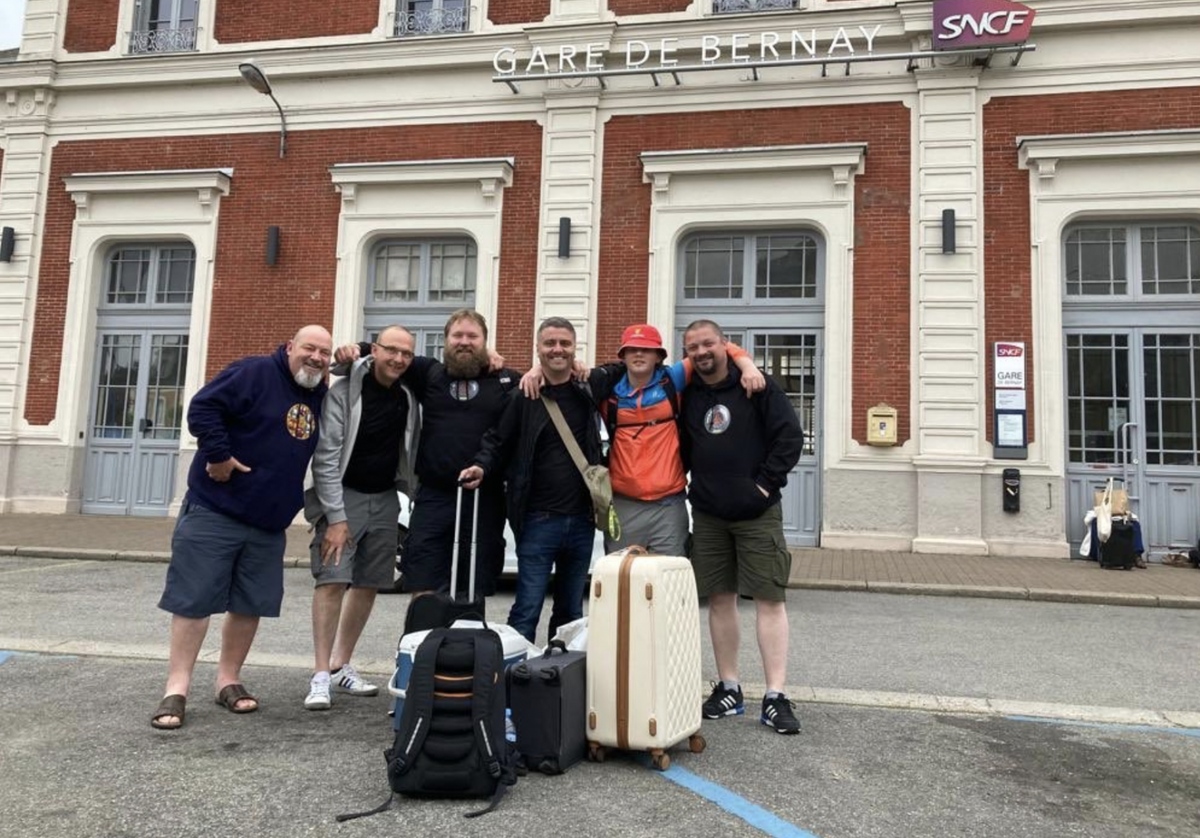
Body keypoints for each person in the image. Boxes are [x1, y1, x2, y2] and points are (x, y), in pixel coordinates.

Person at [151, 325, 333, 730]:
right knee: (194, 600)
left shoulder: (317, 393)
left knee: (249, 604)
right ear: (290, 346)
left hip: (267, 523)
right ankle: (176, 688)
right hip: (216, 510)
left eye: (325, 352)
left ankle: (228, 680)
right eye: (310, 348)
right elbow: (202, 407)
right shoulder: (255, 372)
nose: (317, 357)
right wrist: (217, 455)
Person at [519, 324, 765, 557]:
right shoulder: (606, 390)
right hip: (623, 504)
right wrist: (536, 369)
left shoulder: (673, 380)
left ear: (658, 356)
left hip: (669, 505)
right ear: (623, 356)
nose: (638, 354)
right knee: (623, 579)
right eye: (632, 349)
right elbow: (561, 370)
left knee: (667, 579)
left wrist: (748, 366)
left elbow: (720, 347)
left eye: (646, 349)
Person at [334, 309, 518, 598]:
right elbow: (389, 352)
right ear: (446, 340)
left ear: (485, 341)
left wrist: (551, 370)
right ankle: (424, 629)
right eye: (457, 335)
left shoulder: (507, 381)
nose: (464, 342)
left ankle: (465, 630)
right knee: (423, 579)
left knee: (474, 585)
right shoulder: (428, 372)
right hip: (433, 497)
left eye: (472, 336)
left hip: (485, 500)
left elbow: (545, 381)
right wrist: (357, 348)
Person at [679, 319, 805, 735]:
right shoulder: (688, 392)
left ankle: (775, 695)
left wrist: (764, 485)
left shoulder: (757, 385)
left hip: (757, 513)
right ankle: (729, 687)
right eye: (693, 347)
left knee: (769, 599)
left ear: (725, 345)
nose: (702, 352)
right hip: (709, 515)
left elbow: (789, 437)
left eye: (709, 344)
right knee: (720, 600)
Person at [459, 317, 599, 643]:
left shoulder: (588, 390)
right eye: (550, 343)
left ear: (575, 348)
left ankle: (559, 670)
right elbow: (497, 440)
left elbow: (625, 369)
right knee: (527, 608)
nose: (557, 349)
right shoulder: (523, 395)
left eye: (565, 343)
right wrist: (481, 466)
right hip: (538, 519)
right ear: (537, 348)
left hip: (582, 520)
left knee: (570, 612)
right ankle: (514, 671)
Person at [302, 325, 420, 710]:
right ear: (375, 350)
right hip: (344, 496)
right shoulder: (344, 392)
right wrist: (335, 518)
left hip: (385, 499)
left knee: (369, 583)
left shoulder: (407, 395)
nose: (398, 359)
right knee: (332, 580)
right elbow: (326, 458)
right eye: (391, 351)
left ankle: (341, 664)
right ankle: (320, 674)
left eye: (406, 354)